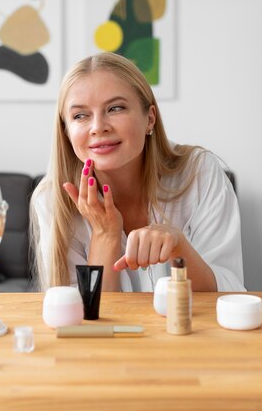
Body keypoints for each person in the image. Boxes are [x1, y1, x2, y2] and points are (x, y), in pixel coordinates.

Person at [30, 52, 245, 293]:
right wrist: (105, 235)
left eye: (115, 108)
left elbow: (229, 293)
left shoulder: (200, 173)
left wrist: (178, 246)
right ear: (67, 131)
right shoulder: (52, 200)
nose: (98, 127)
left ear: (150, 119)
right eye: (80, 115)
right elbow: (87, 320)